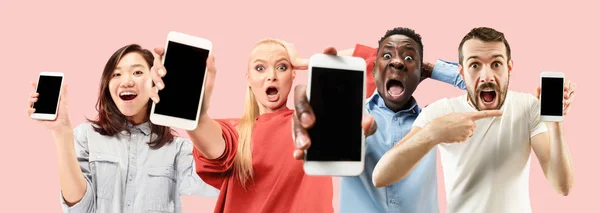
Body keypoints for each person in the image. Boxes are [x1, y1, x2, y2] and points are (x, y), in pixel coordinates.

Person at [372, 27, 576, 213]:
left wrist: (554, 123)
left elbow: (562, 186)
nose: (487, 76)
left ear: (509, 68)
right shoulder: (442, 111)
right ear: (461, 71)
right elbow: (381, 176)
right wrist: (432, 134)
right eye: (475, 65)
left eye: (496, 64)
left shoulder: (527, 107)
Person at [149, 39, 358, 213]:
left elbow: (382, 63)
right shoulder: (236, 132)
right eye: (260, 68)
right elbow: (211, 141)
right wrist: (198, 115)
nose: (271, 75)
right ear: (248, 79)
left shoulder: (314, 125)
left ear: (293, 74)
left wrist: (305, 62)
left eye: (282, 67)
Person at [27, 44, 219, 213]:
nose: (126, 81)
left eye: (137, 72)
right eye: (116, 74)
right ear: (107, 86)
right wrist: (62, 133)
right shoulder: (86, 136)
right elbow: (79, 209)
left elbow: (219, 183)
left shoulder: (177, 149)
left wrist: (195, 120)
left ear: (155, 81)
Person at [292, 27, 466, 213]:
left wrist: (431, 69)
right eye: (387, 56)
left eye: (408, 58)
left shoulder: (433, 120)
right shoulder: (352, 114)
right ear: (373, 70)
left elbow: (484, 87)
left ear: (420, 72)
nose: (397, 62)